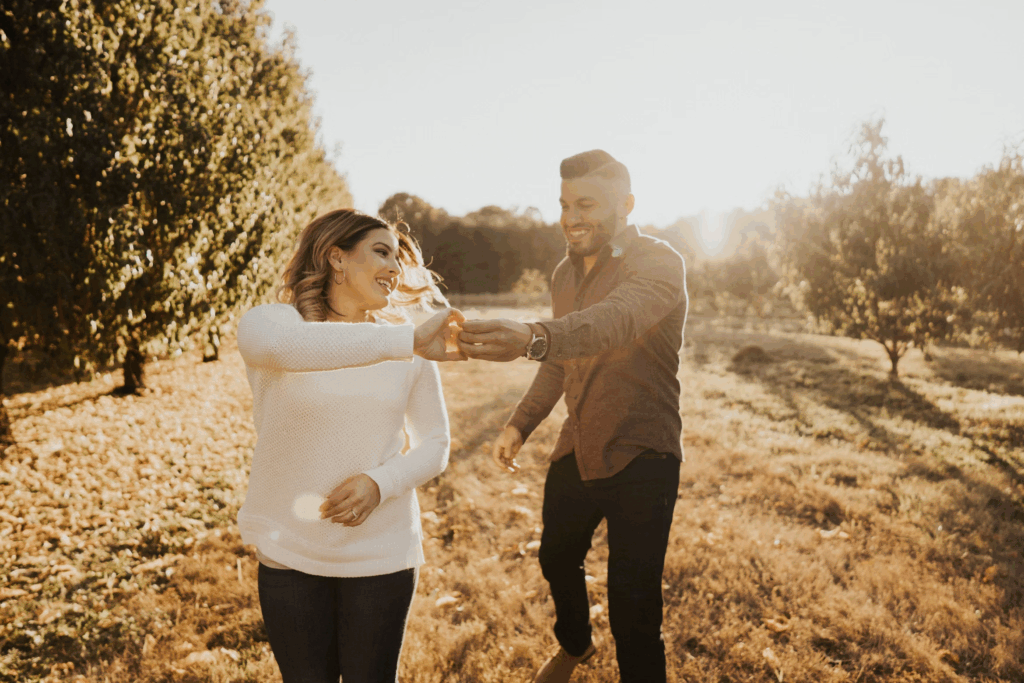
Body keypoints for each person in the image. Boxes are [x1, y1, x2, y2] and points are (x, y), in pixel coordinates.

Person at [458, 150, 688, 683]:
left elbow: (614, 321)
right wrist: (520, 423)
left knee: (634, 610)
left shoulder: (658, 262)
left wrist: (534, 335)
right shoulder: (564, 272)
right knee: (556, 558)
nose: (570, 217)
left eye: (586, 204)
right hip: (577, 445)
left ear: (626, 205)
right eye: (564, 204)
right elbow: (563, 359)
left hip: (644, 453)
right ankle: (576, 643)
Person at [235, 208, 464, 683]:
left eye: (398, 258)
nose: (395, 268)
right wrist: (402, 339)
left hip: (381, 552)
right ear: (336, 258)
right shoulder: (271, 323)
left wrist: (380, 484)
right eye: (381, 252)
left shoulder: (407, 347)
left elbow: (436, 443)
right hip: (289, 548)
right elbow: (286, 350)